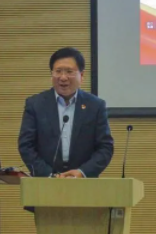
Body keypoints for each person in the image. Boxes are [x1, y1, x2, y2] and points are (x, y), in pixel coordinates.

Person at [18, 47, 113, 178]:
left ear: (82, 75)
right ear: (51, 74)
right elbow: (26, 146)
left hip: (84, 184)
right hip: (45, 183)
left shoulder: (95, 106)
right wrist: (48, 174)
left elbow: (105, 147)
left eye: (69, 72)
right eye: (58, 71)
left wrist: (82, 172)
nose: (63, 77)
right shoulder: (35, 104)